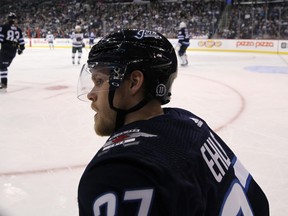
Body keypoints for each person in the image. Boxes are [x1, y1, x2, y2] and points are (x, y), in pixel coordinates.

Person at [77, 29, 269, 215]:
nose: (91, 94)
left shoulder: (120, 174)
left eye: (100, 81)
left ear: (134, 82)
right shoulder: (190, 123)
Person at [0, 12, 25, 92]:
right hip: (13, 51)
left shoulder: (4, 27)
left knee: (3, 67)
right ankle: (3, 82)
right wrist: (21, 49)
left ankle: (4, 83)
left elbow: (0, 38)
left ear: (8, 19)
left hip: (5, 49)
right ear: (14, 20)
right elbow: (21, 42)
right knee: (4, 66)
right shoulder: (18, 29)